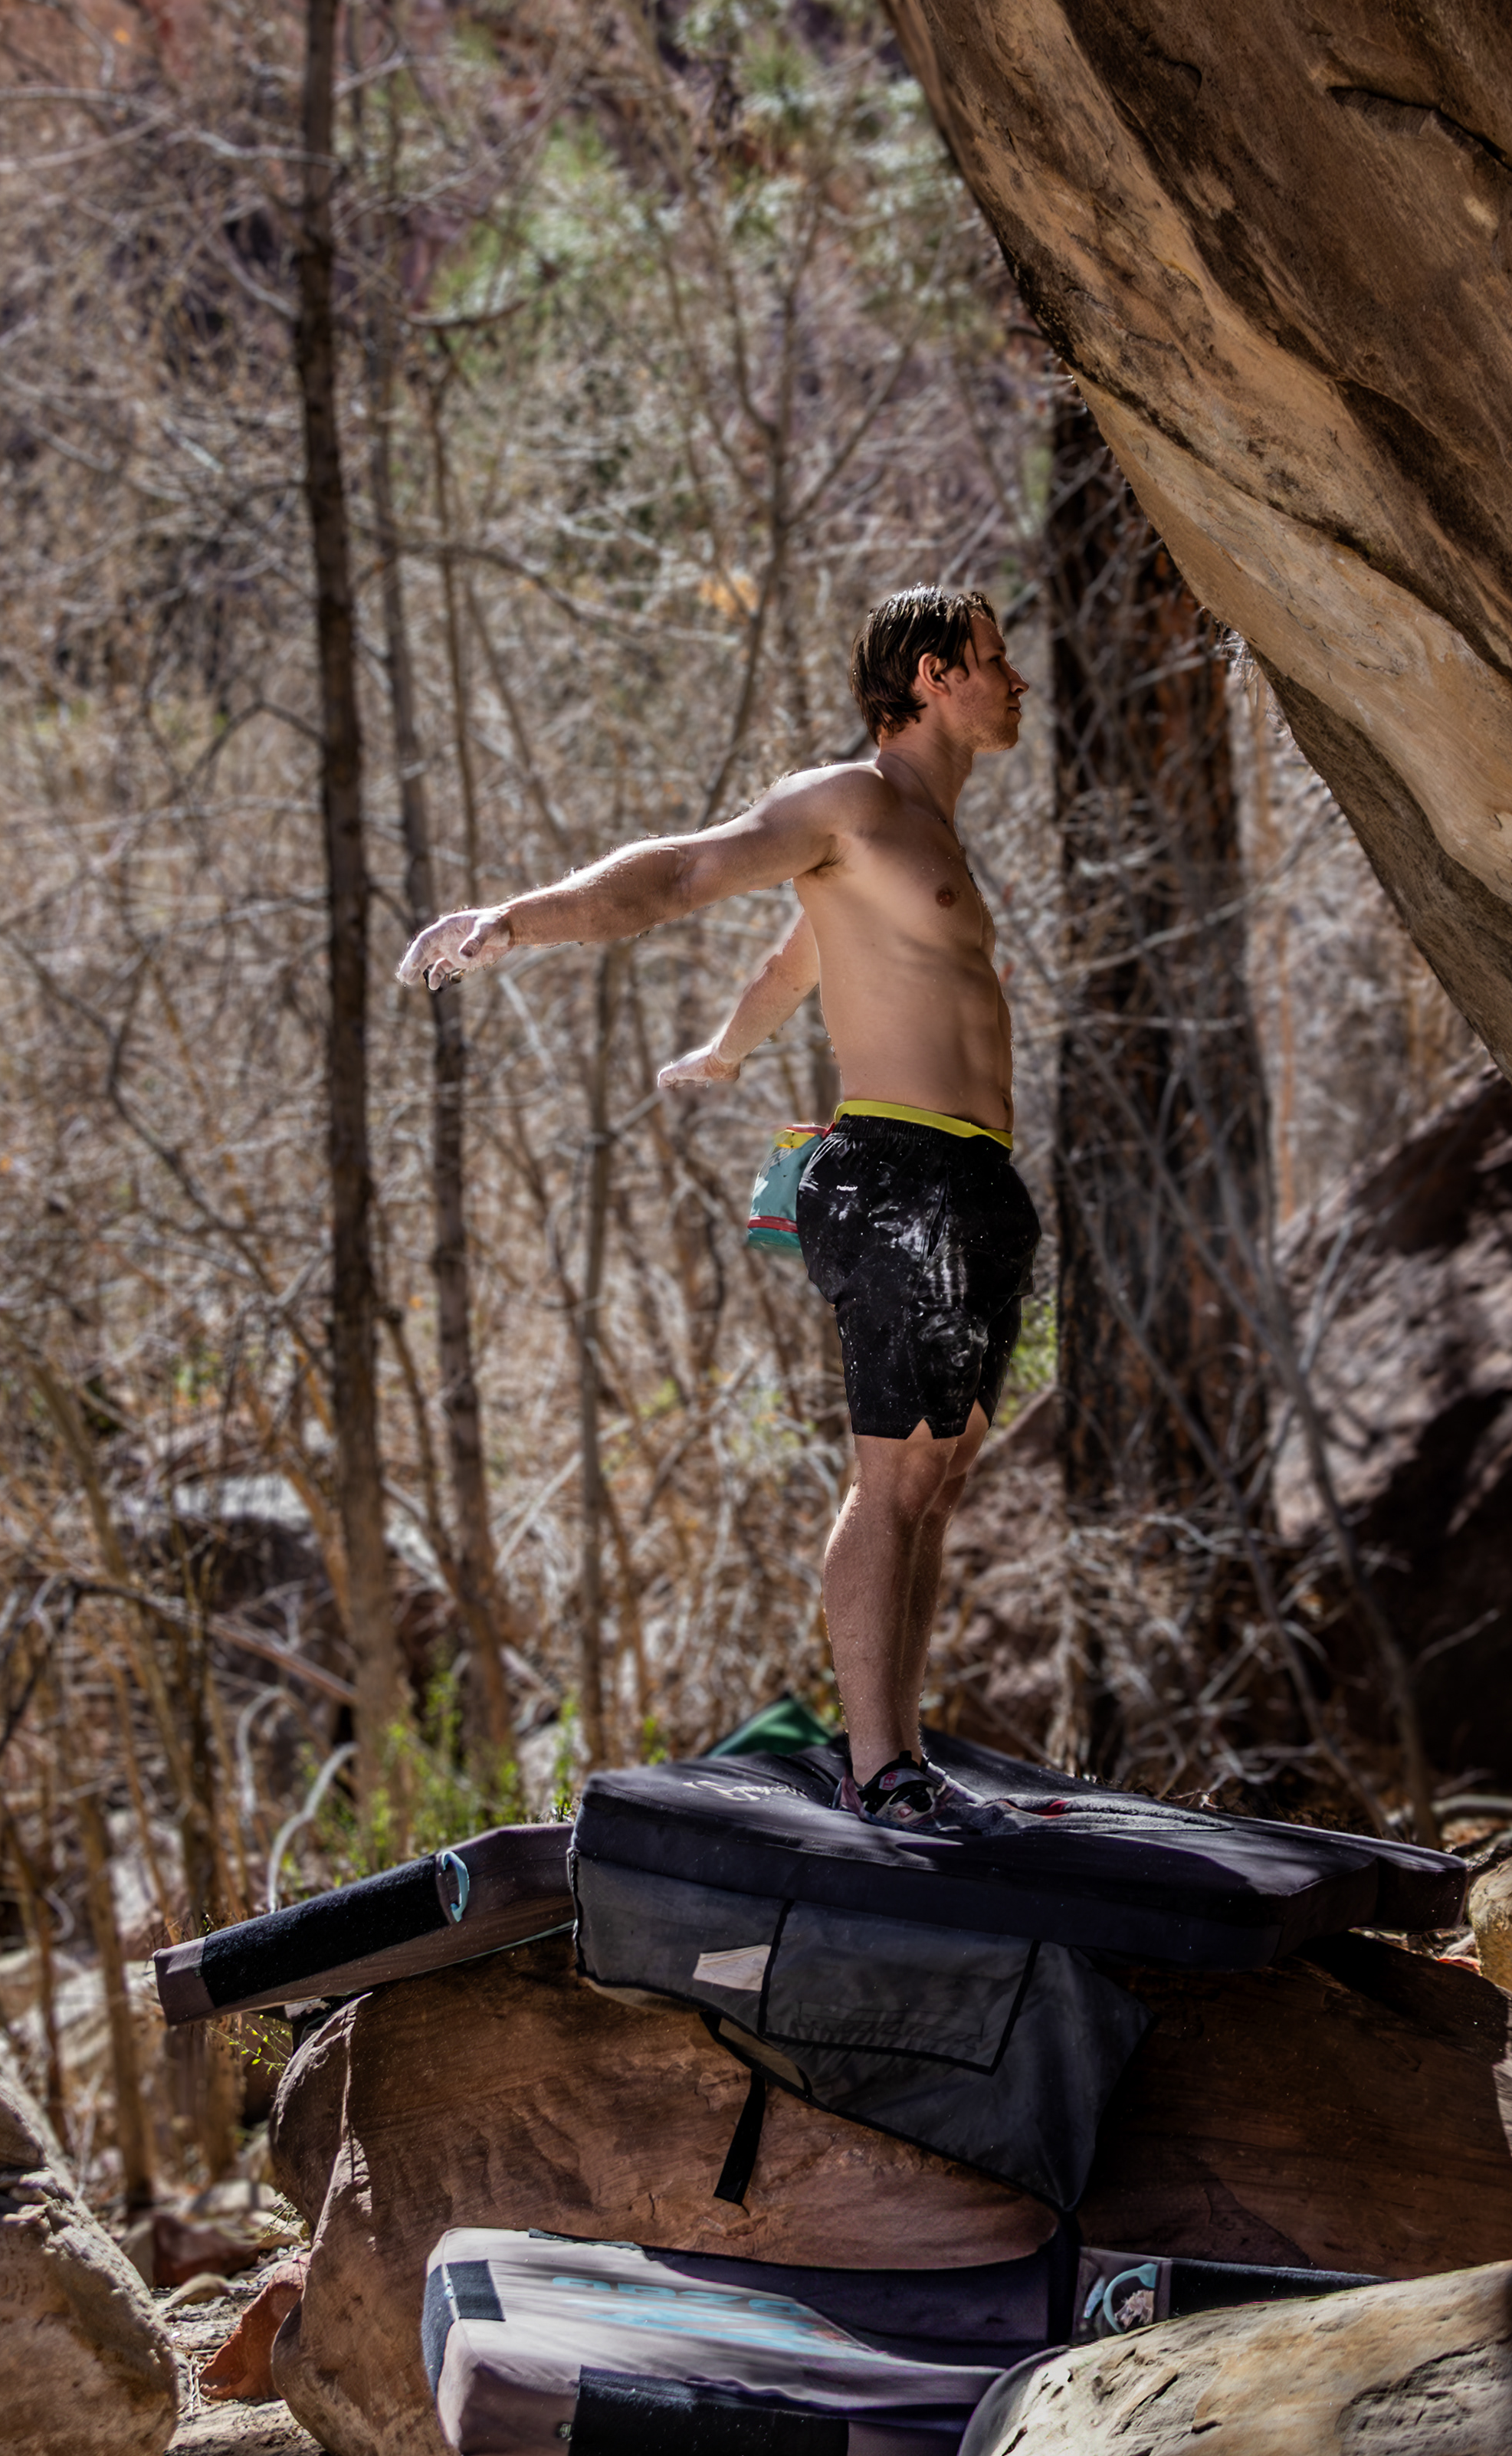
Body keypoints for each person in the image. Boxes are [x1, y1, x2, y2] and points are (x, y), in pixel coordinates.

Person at [397, 582, 1035, 1824]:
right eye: (997, 659)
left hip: (972, 1183)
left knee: (943, 1472)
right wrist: (516, 923)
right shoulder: (848, 803)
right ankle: (877, 1768)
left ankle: (899, 1761)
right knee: (895, 1475)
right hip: (895, 1174)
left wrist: (731, 1050)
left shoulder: (930, 838)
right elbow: (688, 870)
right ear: (932, 674)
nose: (1019, 682)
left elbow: (796, 957)